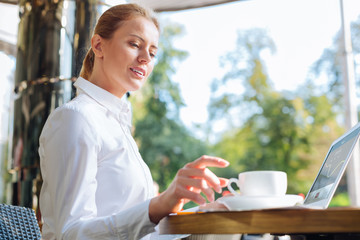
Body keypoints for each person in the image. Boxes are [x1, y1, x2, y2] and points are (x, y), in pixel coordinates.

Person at [39, 3, 229, 240]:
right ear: (99, 45)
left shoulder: (116, 125)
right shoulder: (76, 119)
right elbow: (69, 234)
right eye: (134, 44)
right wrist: (158, 205)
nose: (145, 59)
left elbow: (140, 233)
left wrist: (204, 214)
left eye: (152, 52)